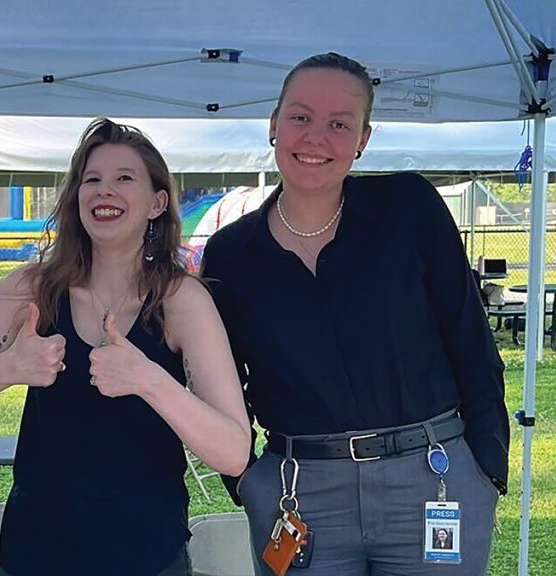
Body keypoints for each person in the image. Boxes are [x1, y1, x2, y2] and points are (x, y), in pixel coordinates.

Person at [201, 52, 509, 575]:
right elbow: (223, 385)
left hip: (434, 477)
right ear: (273, 125)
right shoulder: (232, 254)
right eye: (300, 117)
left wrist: (485, 472)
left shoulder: (409, 208)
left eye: (339, 124)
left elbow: (471, 346)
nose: (316, 137)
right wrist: (251, 483)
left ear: (363, 139)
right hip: (298, 493)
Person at [0, 118, 250, 576]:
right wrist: (5, 369)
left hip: (146, 557)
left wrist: (149, 379)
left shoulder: (181, 301)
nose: (104, 191)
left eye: (123, 179)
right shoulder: (30, 290)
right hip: (35, 554)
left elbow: (233, 452)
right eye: (91, 180)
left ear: (157, 203)